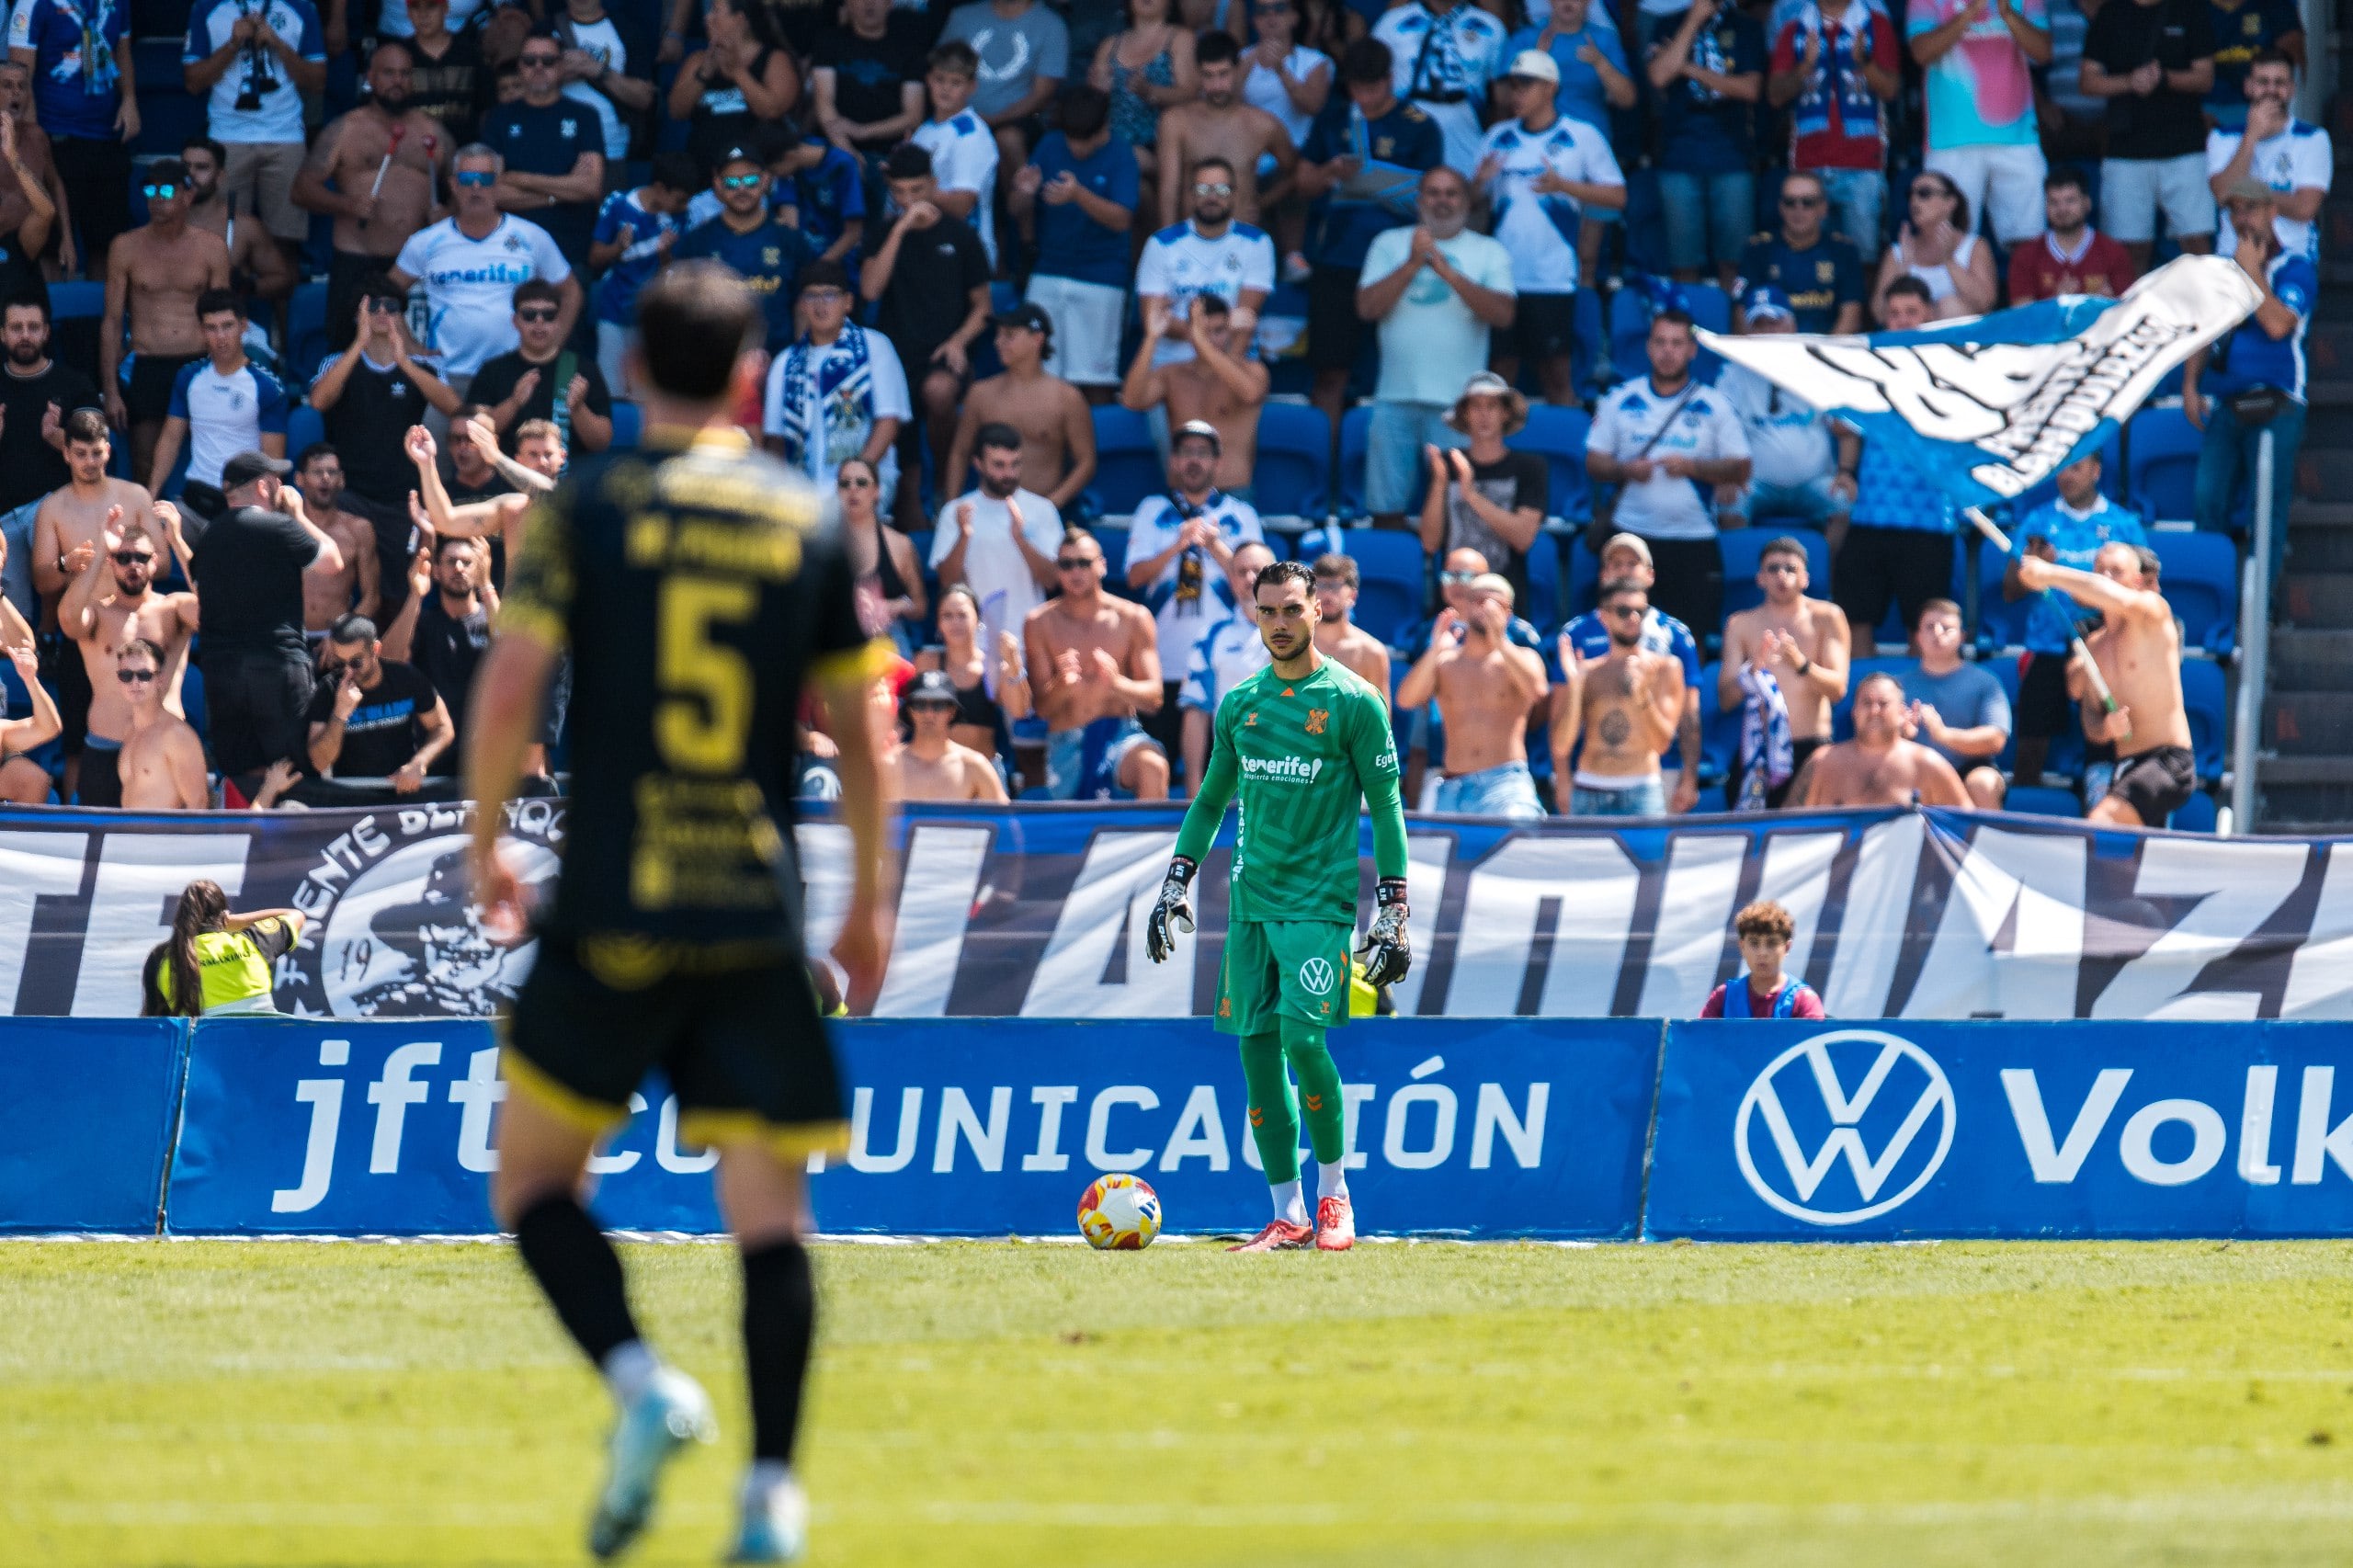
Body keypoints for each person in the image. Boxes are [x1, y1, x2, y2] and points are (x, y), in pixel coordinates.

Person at [463, 263, 891, 1565]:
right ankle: (770, 1496)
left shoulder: (588, 505)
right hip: (751, 906)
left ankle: (643, 1382)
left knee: (535, 1183)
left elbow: (510, 688)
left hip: (612, 898)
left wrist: (487, 845)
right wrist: (869, 906)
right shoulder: (801, 513)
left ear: (632, 374)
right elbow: (861, 729)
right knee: (770, 1219)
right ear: (752, 378)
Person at [1145, 556, 1410, 1251]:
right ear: (1254, 615)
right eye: (1268, 611)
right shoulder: (1241, 704)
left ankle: (1334, 1195)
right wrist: (1176, 881)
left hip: (1319, 904)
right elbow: (1210, 801)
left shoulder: (1354, 700)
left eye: (1293, 609)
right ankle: (1286, 1212)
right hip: (1249, 905)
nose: (1281, 623)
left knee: (1303, 1041)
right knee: (1257, 1053)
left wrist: (1393, 907)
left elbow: (1386, 806)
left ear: (1318, 608)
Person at [1357, 165, 1516, 531]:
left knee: (1458, 511)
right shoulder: (1388, 243)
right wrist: (1413, 264)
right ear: (1419, 201)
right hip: (1393, 397)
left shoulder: (1488, 250)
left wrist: (1450, 274)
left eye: (1451, 193)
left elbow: (1504, 315)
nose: (1442, 201)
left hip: (1460, 404)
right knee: (1385, 511)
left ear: (1467, 202)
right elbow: (1367, 309)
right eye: (1433, 193)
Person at [1296, 39, 1443, 432]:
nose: (1364, 98)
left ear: (1390, 79)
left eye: (1373, 88)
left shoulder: (1419, 125)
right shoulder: (1334, 119)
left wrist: (1375, 182)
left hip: (1399, 265)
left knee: (1402, 377)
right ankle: (1325, 465)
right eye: (1357, 88)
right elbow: (1303, 183)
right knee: (1330, 374)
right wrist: (1329, 172)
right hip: (1336, 260)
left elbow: (1435, 199)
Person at [189, 449, 348, 790]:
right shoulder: (281, 526)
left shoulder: (209, 535)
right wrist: (298, 515)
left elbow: (198, 589)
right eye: (276, 480)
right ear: (263, 487)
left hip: (222, 671)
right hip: (277, 664)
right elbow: (333, 562)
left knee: (241, 772)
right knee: (296, 767)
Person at [1585, 308, 1749, 635]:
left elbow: (1742, 467)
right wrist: (1625, 469)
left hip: (1694, 537)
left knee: (1691, 635)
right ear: (1648, 347)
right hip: (1630, 534)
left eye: (1677, 343)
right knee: (1618, 630)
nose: (1668, 352)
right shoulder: (1621, 399)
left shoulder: (1714, 404)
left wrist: (1694, 467)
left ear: (1692, 350)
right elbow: (1593, 462)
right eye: (1660, 342)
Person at [1473, 49, 1623, 401]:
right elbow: (1470, 201)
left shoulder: (1581, 135)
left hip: (1552, 276)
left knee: (1556, 375)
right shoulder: (1497, 136)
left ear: (1551, 88)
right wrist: (1478, 182)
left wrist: (1564, 186)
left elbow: (1618, 196)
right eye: (1513, 86)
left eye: (1526, 85)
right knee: (1499, 374)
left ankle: (1570, 436)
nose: (1517, 94)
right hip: (1501, 277)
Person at [2184, 178, 2312, 587]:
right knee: (2208, 503)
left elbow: (2277, 325)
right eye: (2234, 210)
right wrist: (2190, 385)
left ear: (2272, 212)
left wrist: (2251, 272)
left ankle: (2262, 608)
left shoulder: (2295, 266)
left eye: (2251, 209)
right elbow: (2202, 331)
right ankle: (2212, 603)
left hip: (2279, 403)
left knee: (2266, 511)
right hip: (2227, 403)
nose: (2242, 218)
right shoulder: (2221, 272)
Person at [2017, 544, 2194, 828]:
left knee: (2101, 823)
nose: (2106, 577)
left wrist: (2049, 573)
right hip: (2124, 765)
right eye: (2100, 571)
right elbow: (2090, 718)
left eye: (2116, 571)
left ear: (2137, 581)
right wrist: (2107, 729)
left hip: (2167, 761)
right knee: (2127, 852)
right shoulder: (2093, 646)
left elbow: (2108, 593)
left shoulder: (2154, 612)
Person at [861, 143, 993, 528]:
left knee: (938, 391)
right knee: (910, 520)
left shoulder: (961, 235)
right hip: (896, 355)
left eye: (917, 190)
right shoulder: (883, 233)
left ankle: (942, 477)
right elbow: (870, 289)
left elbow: (983, 307)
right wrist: (901, 228)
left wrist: (958, 342)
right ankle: (910, 495)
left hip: (943, 354)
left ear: (934, 184)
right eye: (899, 192)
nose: (909, 200)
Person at [292, 42, 450, 351]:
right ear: (371, 78)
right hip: (357, 261)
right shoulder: (345, 129)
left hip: (413, 265)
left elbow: (462, 186)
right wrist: (347, 204)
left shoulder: (433, 132)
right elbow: (301, 189)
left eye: (405, 74)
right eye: (389, 73)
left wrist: (447, 216)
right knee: (348, 351)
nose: (397, 81)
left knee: (413, 352)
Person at [389, 144, 578, 397]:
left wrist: (551, 346)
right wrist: (409, 345)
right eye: (467, 179)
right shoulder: (425, 242)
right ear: (454, 185)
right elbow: (385, 293)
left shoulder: (532, 237)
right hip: (445, 377)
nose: (476, 187)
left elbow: (571, 291)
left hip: (516, 375)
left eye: (485, 179)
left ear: (498, 185)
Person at [1124, 417, 1266, 755]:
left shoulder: (1240, 515)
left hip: (1223, 664)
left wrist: (1214, 544)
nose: (1194, 461)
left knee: (1217, 766)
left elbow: (1258, 582)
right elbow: (1134, 577)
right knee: (1161, 759)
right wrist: (1177, 545)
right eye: (1186, 452)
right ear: (1173, 461)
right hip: (1164, 659)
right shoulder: (1152, 510)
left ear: (1218, 462)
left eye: (1203, 453)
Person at [2004, 448, 2144, 786]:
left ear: (2096, 471)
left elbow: (2145, 591)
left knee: (2105, 746)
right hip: (2048, 645)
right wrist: (2033, 568)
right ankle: (2024, 813)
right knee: (2030, 749)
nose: (2066, 476)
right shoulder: (2037, 522)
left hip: (2106, 647)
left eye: (2076, 467)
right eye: (2062, 468)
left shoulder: (2124, 525)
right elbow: (2009, 591)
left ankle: (2099, 808)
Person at [101, 164, 232, 492]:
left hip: (199, 363)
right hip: (148, 363)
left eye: (168, 190)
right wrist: (111, 390)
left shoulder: (212, 247)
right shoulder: (125, 246)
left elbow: (222, 317)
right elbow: (112, 322)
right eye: (150, 190)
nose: (157, 199)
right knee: (144, 461)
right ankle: (145, 521)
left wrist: (225, 373)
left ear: (188, 195)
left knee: (214, 454)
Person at [1839, 277, 1958, 638]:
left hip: (1929, 519)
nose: (1902, 321)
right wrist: (1846, 471)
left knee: (1924, 629)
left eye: (1911, 312)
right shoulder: (1868, 367)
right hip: (1870, 514)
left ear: (1930, 314)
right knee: (1855, 622)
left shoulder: (1952, 369)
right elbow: (1846, 427)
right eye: (1894, 314)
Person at [56, 507, 199, 805]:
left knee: (158, 832)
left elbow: (219, 611)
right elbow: (68, 620)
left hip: (161, 745)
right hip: (104, 746)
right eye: (123, 558)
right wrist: (100, 553)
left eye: (142, 557)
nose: (133, 564)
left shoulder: (174, 609)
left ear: (154, 561)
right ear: (112, 562)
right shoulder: (98, 614)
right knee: (98, 833)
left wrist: (176, 541)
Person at [1553, 531, 1701, 809]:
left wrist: (1690, 776)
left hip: (1647, 780)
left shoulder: (1671, 650)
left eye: (1632, 564)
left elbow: (1684, 722)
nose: (1632, 618)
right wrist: (1575, 684)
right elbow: (1560, 739)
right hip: (1589, 782)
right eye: (1616, 564)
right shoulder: (1578, 643)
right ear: (1605, 616)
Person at [1023, 527, 1170, 800]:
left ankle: (1152, 831)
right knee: (1073, 825)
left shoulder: (1133, 618)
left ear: (1101, 565)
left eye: (1084, 563)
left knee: (1152, 766)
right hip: (1066, 742)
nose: (1075, 571)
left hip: (1121, 735)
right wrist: (1062, 685)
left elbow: (1154, 699)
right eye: (1066, 564)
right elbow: (1042, 709)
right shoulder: (1039, 623)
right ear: (1058, 571)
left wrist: (1117, 684)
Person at [1013, 87, 1139, 400]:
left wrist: (1078, 195)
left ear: (1104, 128)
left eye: (1084, 139)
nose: (1075, 147)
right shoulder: (1049, 145)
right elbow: (1016, 209)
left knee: (1095, 378)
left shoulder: (1121, 154)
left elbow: (1122, 220)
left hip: (1101, 276)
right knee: (1034, 372)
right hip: (1048, 269)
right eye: (1071, 138)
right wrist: (1024, 194)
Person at [181, 0, 326, 268]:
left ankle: (278, 298)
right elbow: (193, 82)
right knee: (225, 240)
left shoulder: (302, 7)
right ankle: (227, 297)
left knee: (286, 242)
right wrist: (233, 44)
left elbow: (317, 81)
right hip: (227, 136)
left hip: (285, 135)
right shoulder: (206, 7)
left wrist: (277, 44)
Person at [307, 274, 464, 515]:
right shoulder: (336, 363)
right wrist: (359, 343)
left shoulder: (424, 366)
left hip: (406, 491)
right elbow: (318, 402)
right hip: (350, 492)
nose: (382, 312)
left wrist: (404, 362)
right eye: (372, 306)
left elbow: (455, 409)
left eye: (391, 307)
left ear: (401, 315)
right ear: (357, 315)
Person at [1397, 571, 1548, 816]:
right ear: (1464, 608)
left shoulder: (1523, 657)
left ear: (1508, 612)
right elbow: (1406, 700)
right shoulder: (1445, 662)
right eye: (1477, 601)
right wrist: (1434, 650)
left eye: (1494, 603)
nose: (1484, 608)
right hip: (1452, 785)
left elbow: (1538, 691)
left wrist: (1500, 639)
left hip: (1505, 784)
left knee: (1517, 831)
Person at [2083, 0, 2217, 273]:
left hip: (2184, 146)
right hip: (2126, 149)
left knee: (2196, 243)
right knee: (2128, 250)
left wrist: (2163, 78)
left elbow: (2205, 78)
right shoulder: (2111, 12)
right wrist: (2130, 82)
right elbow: (2087, 81)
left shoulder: (2189, 9)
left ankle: (2204, 303)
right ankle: (2134, 304)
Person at [1906, 0, 2052, 250]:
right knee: (1950, 245)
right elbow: (1921, 52)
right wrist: (1972, 10)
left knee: (2028, 246)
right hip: (1951, 139)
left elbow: (2044, 53)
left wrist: (2007, 12)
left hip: (2017, 137)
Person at [763, 260, 910, 506]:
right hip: (803, 493)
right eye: (811, 296)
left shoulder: (874, 346)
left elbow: (888, 423)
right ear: (801, 305)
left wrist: (853, 481)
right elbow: (776, 440)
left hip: (864, 484)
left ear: (848, 302)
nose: (821, 305)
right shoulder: (785, 362)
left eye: (830, 295)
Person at [1720, 534, 1850, 809]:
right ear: (1760, 578)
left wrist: (1800, 664)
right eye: (1773, 568)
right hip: (1758, 751)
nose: (1782, 575)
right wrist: (1751, 672)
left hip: (1811, 748)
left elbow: (1837, 689)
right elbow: (1726, 700)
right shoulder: (1740, 624)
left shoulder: (1827, 617)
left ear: (1805, 578)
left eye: (1791, 569)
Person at [1714, 286, 1857, 533]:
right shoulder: (1733, 373)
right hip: (1754, 482)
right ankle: (1747, 561)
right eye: (1760, 325)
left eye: (1775, 323)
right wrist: (1725, 476)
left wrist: (1846, 472)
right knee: (1729, 503)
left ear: (1792, 326)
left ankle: (1827, 561)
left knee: (1843, 501)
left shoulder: (1819, 367)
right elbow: (1716, 429)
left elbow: (1846, 429)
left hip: (1814, 482)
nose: (1768, 332)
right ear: (1749, 332)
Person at [1765, 0, 1897, 263]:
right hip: (1808, 165)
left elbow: (1891, 90)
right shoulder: (1793, 28)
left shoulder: (1876, 25)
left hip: (1863, 164)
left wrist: (1864, 62)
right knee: (1809, 257)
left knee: (1863, 260)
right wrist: (1805, 66)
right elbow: (1775, 96)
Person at [7, 0, 138, 268]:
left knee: (107, 244)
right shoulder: (33, 3)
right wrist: (33, 144)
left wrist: (129, 98)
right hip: (56, 137)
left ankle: (100, 298)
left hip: (106, 136)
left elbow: (122, 49)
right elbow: (20, 78)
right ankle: (51, 298)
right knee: (50, 248)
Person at [1644, 0, 1764, 290]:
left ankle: (1731, 319)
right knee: (1684, 262)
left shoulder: (1745, 27)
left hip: (1732, 154)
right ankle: (1688, 319)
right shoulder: (1668, 24)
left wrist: (1688, 68)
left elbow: (1749, 89)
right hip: (1679, 154)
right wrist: (1693, 22)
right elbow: (1659, 75)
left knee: (1734, 261)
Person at [945, 302, 1095, 514]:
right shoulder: (980, 394)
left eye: (1009, 335)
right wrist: (952, 510)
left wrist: (1050, 507)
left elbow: (1086, 461)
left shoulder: (1067, 398)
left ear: (1037, 339)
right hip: (989, 513)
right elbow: (960, 454)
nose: (998, 342)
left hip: (1046, 511)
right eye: (998, 335)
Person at [928, 421, 1063, 656]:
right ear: (978, 463)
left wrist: (1021, 540)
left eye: (1015, 464)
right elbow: (947, 581)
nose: (1008, 474)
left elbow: (1053, 580)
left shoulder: (1043, 510)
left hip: (1029, 641)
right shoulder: (955, 511)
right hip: (974, 644)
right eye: (999, 465)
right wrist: (964, 536)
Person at [481, 29, 607, 279]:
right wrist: (559, 193)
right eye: (530, 61)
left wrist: (520, 178)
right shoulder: (498, 118)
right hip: (512, 250)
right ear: (520, 66)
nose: (538, 67)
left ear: (561, 66)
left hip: (571, 250)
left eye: (548, 61)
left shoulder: (585, 116)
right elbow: (492, 192)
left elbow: (590, 187)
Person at [673, 145, 819, 355]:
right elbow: (681, 309)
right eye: (732, 182)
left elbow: (804, 304)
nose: (742, 189)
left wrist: (799, 359)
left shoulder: (790, 240)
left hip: (777, 361)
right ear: (718, 185)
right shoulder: (697, 242)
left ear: (766, 180)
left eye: (750, 180)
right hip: (716, 361)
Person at [150, 290, 291, 506]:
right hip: (195, 498)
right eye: (211, 328)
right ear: (202, 331)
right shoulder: (188, 377)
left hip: (243, 500)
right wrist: (151, 493)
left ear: (243, 326)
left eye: (227, 326)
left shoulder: (266, 386)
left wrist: (266, 511)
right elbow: (171, 438)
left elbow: (272, 460)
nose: (221, 336)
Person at [1419, 370, 1546, 608]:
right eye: (1476, 407)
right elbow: (1430, 543)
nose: (1484, 415)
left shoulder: (1530, 468)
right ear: (1465, 414)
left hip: (1504, 604)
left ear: (1505, 413)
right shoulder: (1446, 465)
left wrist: (1470, 494)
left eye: (1492, 406)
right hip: (1451, 606)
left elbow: (1522, 538)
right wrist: (1439, 482)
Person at [1134, 153, 1277, 364]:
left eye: (1221, 190)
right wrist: (1210, 333)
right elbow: (1152, 317)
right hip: (1171, 361)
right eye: (1202, 189)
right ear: (1190, 195)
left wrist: (1195, 332)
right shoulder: (1161, 243)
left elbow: (1244, 318)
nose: (1212, 197)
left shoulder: (1257, 243)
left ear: (1234, 195)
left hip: (1231, 357)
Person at [1118, 295, 1268, 494]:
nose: (1211, 339)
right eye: (1204, 332)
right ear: (1189, 333)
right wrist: (1151, 337)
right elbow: (1132, 400)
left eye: (1218, 330)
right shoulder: (1171, 374)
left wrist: (1201, 341)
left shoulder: (1252, 371)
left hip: (1233, 493)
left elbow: (1251, 394)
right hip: (1181, 494)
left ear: (1229, 330)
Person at [1157, 31, 1298, 229]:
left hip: (1242, 236)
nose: (1216, 86)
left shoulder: (1263, 124)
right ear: (1198, 74)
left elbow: (1295, 171)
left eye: (1223, 74)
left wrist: (1263, 202)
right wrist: (1168, 240)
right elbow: (1168, 191)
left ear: (1238, 71)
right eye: (1208, 75)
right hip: (1191, 237)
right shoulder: (1176, 121)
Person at [586, 152, 698, 396]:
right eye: (680, 200)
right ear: (659, 189)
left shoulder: (682, 218)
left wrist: (665, 255)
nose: (684, 206)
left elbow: (677, 273)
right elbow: (594, 257)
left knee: (644, 393)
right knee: (612, 391)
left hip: (652, 316)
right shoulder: (618, 204)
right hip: (614, 310)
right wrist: (618, 248)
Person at [304, 611, 453, 790]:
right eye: (339, 663)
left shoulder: (406, 679)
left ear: (375, 649)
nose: (348, 671)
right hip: (352, 795)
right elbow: (319, 762)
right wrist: (339, 714)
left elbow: (443, 727)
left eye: (356, 662)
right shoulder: (329, 690)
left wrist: (420, 762)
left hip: (402, 789)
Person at [2205, 51, 2331, 263]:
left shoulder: (2313, 138)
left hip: (2293, 255)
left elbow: (2305, 208)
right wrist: (2251, 135)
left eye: (2279, 83)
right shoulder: (2223, 137)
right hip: (2232, 255)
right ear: (2248, 87)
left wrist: (2245, 196)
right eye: (2263, 82)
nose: (2271, 90)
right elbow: (2223, 194)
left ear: (2291, 89)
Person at [466, 278, 613, 455]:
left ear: (558, 321)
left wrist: (578, 408)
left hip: (570, 472)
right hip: (507, 471)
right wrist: (514, 403)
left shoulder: (583, 369)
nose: (539, 321)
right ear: (515, 321)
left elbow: (602, 442)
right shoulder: (492, 370)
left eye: (548, 315)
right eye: (529, 315)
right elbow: (472, 434)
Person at [1175, 537, 1278, 789]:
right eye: (1241, 572)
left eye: (1258, 570)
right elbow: (1197, 712)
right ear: (1230, 579)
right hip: (1234, 778)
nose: (1250, 578)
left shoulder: (1306, 632)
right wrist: (1194, 789)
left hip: (1296, 776)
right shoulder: (1211, 636)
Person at [1785, 669, 1971, 806]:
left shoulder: (1928, 765)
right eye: (1867, 703)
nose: (1874, 711)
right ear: (1854, 712)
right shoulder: (1822, 763)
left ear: (1901, 713)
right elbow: (1787, 831)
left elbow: (1967, 830)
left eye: (1883, 704)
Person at [940, 0, 1067, 199]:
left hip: (1020, 120)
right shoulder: (962, 16)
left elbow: (1042, 94)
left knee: (1008, 138)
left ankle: (1020, 213)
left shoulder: (1050, 25)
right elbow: (940, 72)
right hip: (959, 117)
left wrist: (992, 120)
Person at [381, 531, 491, 758]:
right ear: (437, 571)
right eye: (451, 562)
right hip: (434, 749)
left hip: (487, 751)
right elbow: (389, 661)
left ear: (480, 569)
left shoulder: (493, 617)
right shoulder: (425, 622)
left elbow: (517, 659)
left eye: (467, 562)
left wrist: (486, 584)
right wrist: (415, 596)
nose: (459, 568)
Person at [1240, 0, 1333, 265]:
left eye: (1279, 9)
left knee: (1295, 170)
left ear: (1294, 17)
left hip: (1295, 154)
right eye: (1262, 11)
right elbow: (1224, 105)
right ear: (1254, 21)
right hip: (1250, 155)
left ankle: (1293, 256)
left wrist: (1282, 70)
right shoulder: (1242, 58)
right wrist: (1245, 67)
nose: (1271, 17)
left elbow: (1312, 105)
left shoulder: (1314, 61)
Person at [1371, 0, 1508, 174]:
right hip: (1403, 143)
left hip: (1467, 143)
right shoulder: (1390, 23)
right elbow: (1371, 86)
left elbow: (1503, 103)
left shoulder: (1491, 27)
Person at [1900, 597, 2010, 809]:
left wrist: (1943, 735)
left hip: (1971, 767)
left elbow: (1995, 739)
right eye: (1930, 627)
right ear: (1918, 637)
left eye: (1947, 628)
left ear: (1962, 636)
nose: (1938, 633)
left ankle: (1987, 833)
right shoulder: (1897, 686)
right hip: (1916, 769)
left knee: (1983, 783)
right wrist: (1902, 734)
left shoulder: (1986, 682)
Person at [668, 0, 798, 175]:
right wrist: (704, 73)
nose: (708, 18)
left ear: (739, 19)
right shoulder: (697, 60)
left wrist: (737, 72)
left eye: (715, 11)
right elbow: (676, 111)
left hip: (756, 174)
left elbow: (773, 110)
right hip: (704, 170)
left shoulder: (774, 58)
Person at [0, 293, 100, 517]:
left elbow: (96, 451)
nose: (25, 335)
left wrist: (57, 436)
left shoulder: (76, 384)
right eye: (16, 328)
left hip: (59, 513)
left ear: (46, 332)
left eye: (33, 327)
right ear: (2, 334)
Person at [141, 881, 304, 1017]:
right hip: (265, 1043)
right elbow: (295, 915)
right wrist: (232, 922)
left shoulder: (161, 958)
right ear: (225, 916)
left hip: (201, 1046)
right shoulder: (250, 943)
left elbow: (154, 1021)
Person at [1733, 170, 1866, 335]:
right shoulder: (1757, 250)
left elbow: (1851, 315)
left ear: (1823, 208)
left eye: (1808, 202)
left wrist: (1822, 350)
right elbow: (1741, 313)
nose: (1798, 209)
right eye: (1790, 202)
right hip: (1769, 346)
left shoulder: (1843, 251)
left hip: (1826, 345)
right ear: (1780, 207)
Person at [1090, 0, 1197, 197]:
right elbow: (1091, 104)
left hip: (1161, 144)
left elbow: (1190, 94)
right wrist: (1097, 91)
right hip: (1111, 141)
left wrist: (1149, 91)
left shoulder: (1180, 38)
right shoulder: (1109, 45)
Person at [909, 41, 1002, 267]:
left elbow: (962, 205)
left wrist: (910, 186)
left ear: (972, 87)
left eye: (956, 82)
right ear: (928, 79)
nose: (945, 89)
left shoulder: (971, 135)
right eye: (939, 79)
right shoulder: (924, 130)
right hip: (926, 247)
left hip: (965, 253)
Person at [915, 581, 1029, 764]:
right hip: (935, 770)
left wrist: (1014, 663)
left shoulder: (993, 667)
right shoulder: (926, 663)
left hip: (984, 772)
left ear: (978, 620)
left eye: (962, 615)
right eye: (947, 616)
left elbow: (1019, 711)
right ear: (938, 623)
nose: (955, 622)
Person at [180, 133, 294, 307]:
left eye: (201, 167)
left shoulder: (245, 227)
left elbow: (281, 279)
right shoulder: (163, 220)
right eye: (185, 167)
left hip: (224, 319)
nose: (191, 174)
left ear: (220, 176)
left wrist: (247, 285)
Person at [1872, 168, 1998, 321]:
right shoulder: (1898, 252)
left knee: (1949, 306)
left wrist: (1949, 261)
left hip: (1957, 335)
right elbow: (1879, 313)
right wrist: (1904, 270)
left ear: (1950, 202)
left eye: (1924, 193)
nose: (1914, 200)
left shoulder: (1974, 246)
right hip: (1910, 334)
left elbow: (1985, 303)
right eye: (1910, 194)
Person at [811, 0, 928, 158]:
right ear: (848, 4)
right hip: (834, 147)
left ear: (890, 4)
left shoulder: (910, 49)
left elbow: (913, 117)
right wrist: (846, 151)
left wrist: (862, 131)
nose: (869, 3)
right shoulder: (829, 42)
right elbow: (824, 104)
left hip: (888, 154)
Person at [289, 444, 381, 637]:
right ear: (299, 479)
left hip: (336, 637)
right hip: (288, 637)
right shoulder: (284, 526)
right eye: (317, 472)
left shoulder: (359, 530)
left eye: (332, 472)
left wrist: (342, 636)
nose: (325, 478)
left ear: (341, 480)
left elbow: (372, 597)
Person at [1504, 0, 1634, 137]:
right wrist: (1536, 60)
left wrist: (1601, 63)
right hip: (1535, 138)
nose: (1568, 2)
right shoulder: (1525, 39)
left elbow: (1627, 100)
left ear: (1588, 2)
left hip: (1589, 138)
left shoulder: (1604, 39)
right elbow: (1503, 99)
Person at [2007, 165, 2138, 301]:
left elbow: (2130, 308)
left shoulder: (2114, 252)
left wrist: (2107, 303)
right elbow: (2021, 311)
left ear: (2087, 203)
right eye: (2054, 202)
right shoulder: (2025, 255)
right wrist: (2057, 301)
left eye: (2070, 201)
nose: (2062, 209)